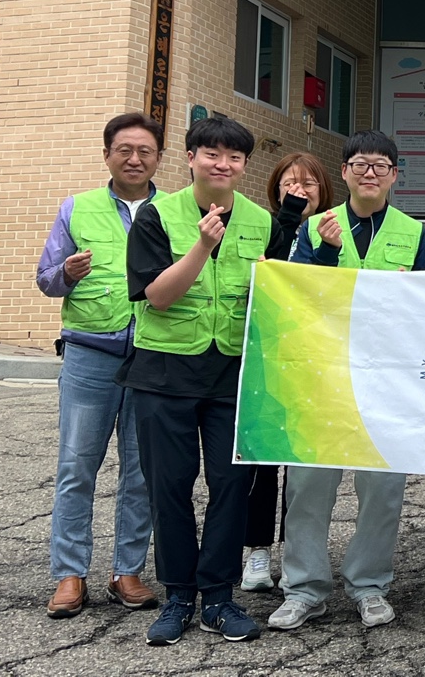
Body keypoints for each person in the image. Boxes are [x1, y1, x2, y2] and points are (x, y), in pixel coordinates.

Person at [123, 117, 299, 646]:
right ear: (191, 157)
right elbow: (157, 297)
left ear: (245, 166)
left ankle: (219, 598)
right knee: (169, 487)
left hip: (232, 375)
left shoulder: (263, 222)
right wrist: (201, 246)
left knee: (231, 487)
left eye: (234, 157)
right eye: (212, 154)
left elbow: (278, 296)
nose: (223, 165)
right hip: (165, 374)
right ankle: (179, 595)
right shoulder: (156, 215)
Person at [268, 131, 425, 633]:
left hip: (388, 379)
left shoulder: (413, 233)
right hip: (323, 374)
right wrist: (324, 251)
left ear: (394, 175)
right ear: (343, 172)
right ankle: (304, 588)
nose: (370, 173)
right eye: (360, 164)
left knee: (382, 489)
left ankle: (369, 585)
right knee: (308, 486)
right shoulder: (315, 227)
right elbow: (297, 296)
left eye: (381, 165)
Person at [36, 113, 164, 619]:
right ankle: (69, 575)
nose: (134, 159)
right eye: (124, 149)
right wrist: (66, 273)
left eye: (145, 151)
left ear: (159, 158)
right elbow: (46, 279)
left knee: (142, 472)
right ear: (106, 154)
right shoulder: (77, 207)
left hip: (153, 356)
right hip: (90, 355)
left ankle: (127, 572)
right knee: (76, 467)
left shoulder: (173, 211)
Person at [239, 151, 334, 595]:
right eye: (289, 184)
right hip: (264, 356)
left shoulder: (334, 229)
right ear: (275, 190)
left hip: (314, 359)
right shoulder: (261, 226)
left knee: (302, 464)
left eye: (308, 184)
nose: (299, 191)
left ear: (324, 190)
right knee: (261, 460)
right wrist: (288, 219)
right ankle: (257, 550)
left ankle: (298, 557)